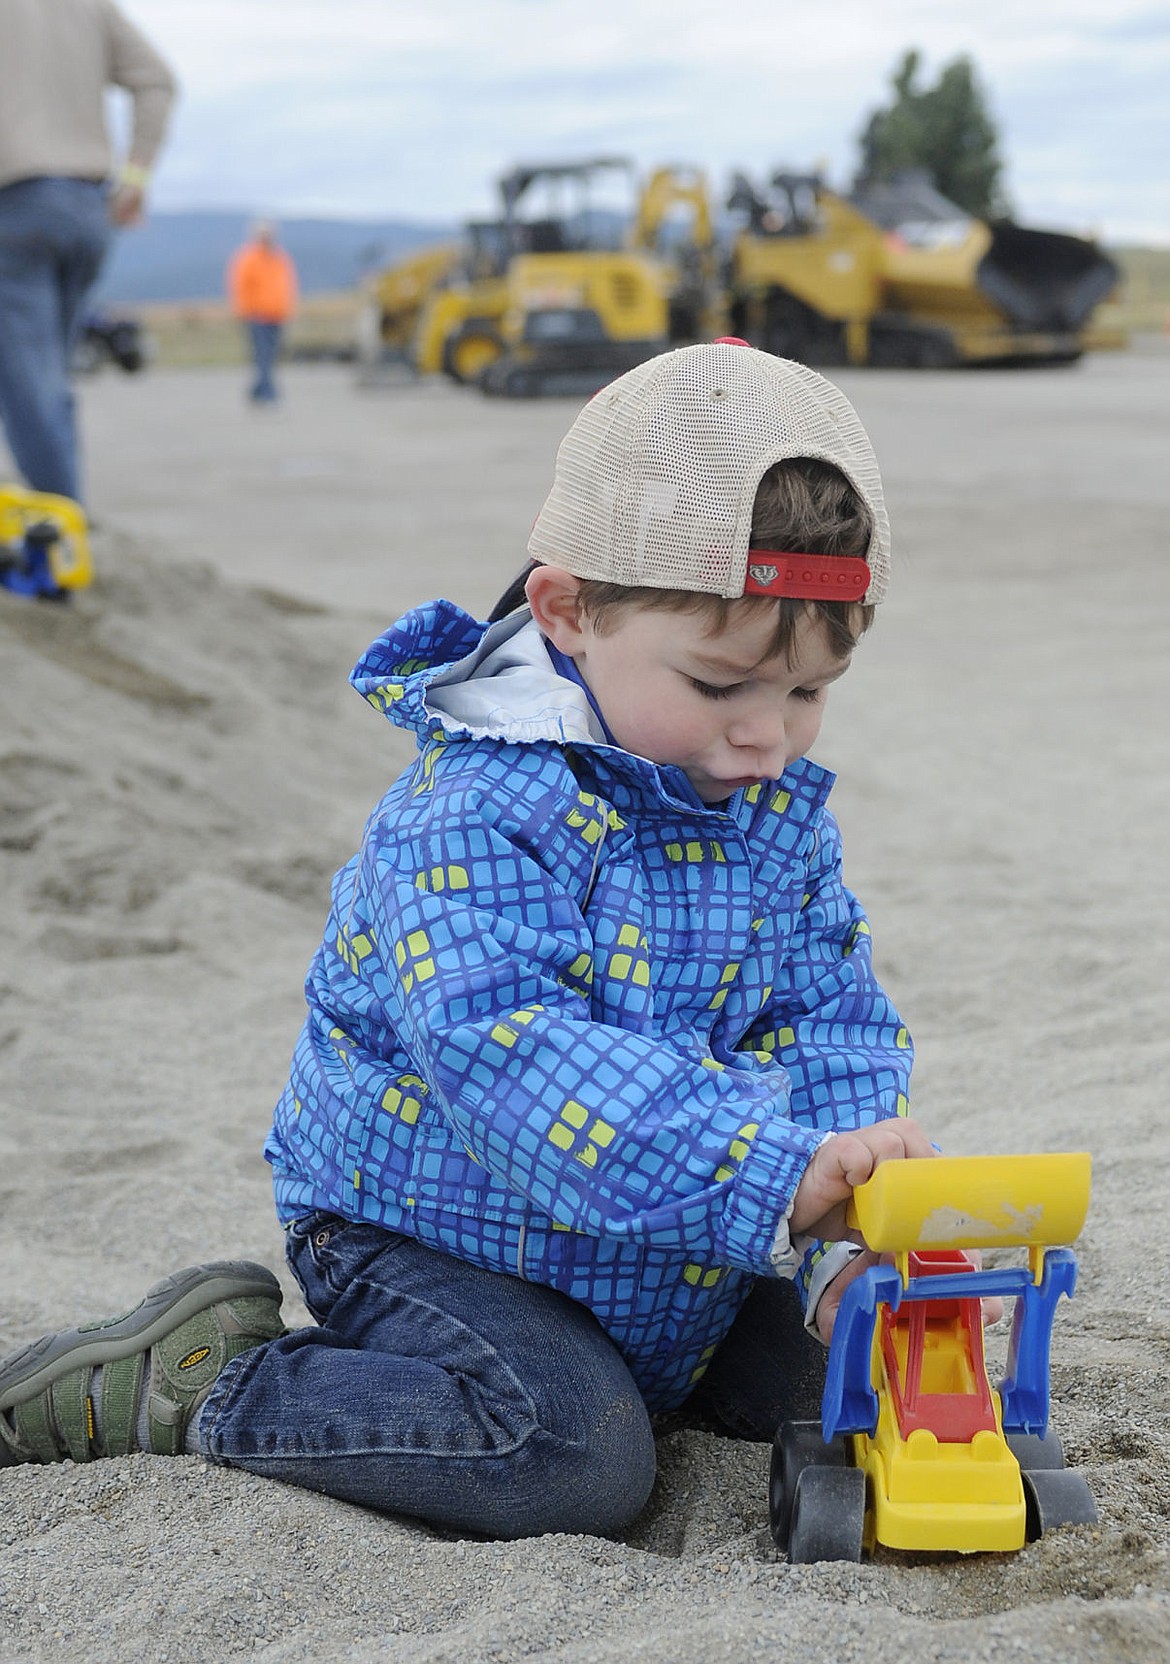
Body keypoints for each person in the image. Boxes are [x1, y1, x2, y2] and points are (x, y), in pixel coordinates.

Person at [0, 340, 939, 1538]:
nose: (767, 738)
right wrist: (766, 1174)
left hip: (661, 1234)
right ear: (568, 611)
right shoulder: (477, 807)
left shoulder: (764, 810)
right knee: (570, 1457)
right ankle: (205, 1382)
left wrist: (853, 1205)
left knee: (862, 1376)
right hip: (430, 1233)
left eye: (808, 692)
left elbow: (828, 1013)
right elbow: (507, 1052)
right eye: (719, 684)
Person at [0, 0, 177, 502]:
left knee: (30, 388)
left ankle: (58, 543)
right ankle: (66, 523)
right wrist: (136, 175)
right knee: (48, 379)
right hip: (86, 208)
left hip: (13, 207)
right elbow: (157, 81)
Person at [226, 221, 298, 404]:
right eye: (264, 234)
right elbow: (240, 287)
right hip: (256, 315)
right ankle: (269, 395)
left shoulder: (280, 258)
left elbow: (287, 286)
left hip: (277, 314)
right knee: (263, 354)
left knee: (271, 355)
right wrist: (243, 310)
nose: (267, 238)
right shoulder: (248, 258)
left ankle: (257, 390)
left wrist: (288, 308)